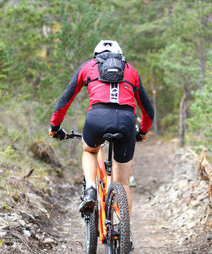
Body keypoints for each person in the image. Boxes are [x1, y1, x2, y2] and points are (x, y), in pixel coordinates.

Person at [49, 40, 154, 218]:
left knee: (90, 150)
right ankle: (124, 233)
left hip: (96, 118)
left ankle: (90, 189)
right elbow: (148, 111)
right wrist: (142, 132)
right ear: (120, 56)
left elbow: (65, 100)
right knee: (123, 183)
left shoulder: (88, 67)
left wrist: (55, 126)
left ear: (96, 55)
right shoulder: (131, 70)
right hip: (126, 122)